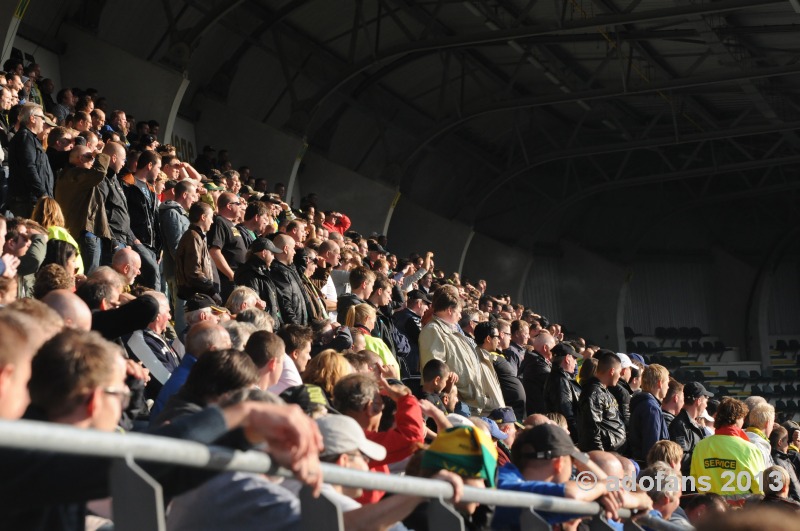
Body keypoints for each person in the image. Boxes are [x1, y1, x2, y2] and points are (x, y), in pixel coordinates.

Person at [493, 423, 652, 530]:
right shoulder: (503, 481)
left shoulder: (506, 474)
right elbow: (571, 494)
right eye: (573, 463)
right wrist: (603, 486)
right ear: (559, 464)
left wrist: (576, 455)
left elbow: (617, 492)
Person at [333, 372, 425, 505]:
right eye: (380, 406)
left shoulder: (337, 430)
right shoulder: (355, 438)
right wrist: (405, 399)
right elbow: (411, 438)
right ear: (370, 408)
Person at [419, 285, 504, 415]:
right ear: (449, 310)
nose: (460, 317)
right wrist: (448, 390)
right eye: (458, 312)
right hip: (456, 402)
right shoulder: (433, 330)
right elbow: (434, 369)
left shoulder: (452, 330)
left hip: (469, 401)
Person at [691, 397, 765, 496]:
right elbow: (759, 487)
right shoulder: (750, 450)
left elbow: (695, 478)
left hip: (710, 507)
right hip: (741, 508)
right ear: (738, 419)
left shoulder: (700, 447)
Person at [7, 103, 55, 217]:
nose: (44, 122)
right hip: (29, 202)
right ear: (32, 118)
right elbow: (29, 167)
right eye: (42, 118)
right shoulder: (25, 137)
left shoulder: (30, 138)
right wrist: (43, 195)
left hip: (34, 200)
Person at [577, 350, 626, 452]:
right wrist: (600, 454)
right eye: (619, 371)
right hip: (604, 455)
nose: (620, 375)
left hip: (613, 451)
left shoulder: (604, 391)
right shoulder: (594, 393)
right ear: (612, 371)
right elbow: (592, 429)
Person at [176, 201, 219, 301]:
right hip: (196, 293)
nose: (212, 222)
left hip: (200, 292)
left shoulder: (198, 236)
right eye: (211, 218)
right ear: (203, 217)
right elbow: (193, 271)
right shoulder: (193, 237)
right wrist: (211, 291)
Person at [628, 363, 671, 464]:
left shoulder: (646, 404)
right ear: (660, 383)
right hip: (651, 470)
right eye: (667, 383)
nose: (668, 387)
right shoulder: (651, 408)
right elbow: (652, 447)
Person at [669, 381, 713, 475]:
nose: (706, 405)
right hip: (688, 483)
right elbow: (681, 458)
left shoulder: (693, 424)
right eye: (706, 399)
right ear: (698, 401)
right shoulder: (680, 425)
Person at [543, 342, 581, 440]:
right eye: (574, 358)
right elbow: (567, 413)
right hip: (569, 436)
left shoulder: (560, 378)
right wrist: (578, 437)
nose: (576, 362)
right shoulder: (560, 380)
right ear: (567, 359)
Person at [270, 234, 310, 326]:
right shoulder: (279, 272)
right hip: (294, 330)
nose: (294, 252)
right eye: (293, 249)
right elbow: (285, 304)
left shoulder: (290, 269)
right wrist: (297, 328)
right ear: (286, 249)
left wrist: (301, 252)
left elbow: (301, 268)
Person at [269, 324, 313, 394]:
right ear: (295, 354)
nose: (309, 357)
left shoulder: (267, 371)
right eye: (307, 352)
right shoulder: (293, 385)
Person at [769, 425, 800, 502]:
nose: (788, 445)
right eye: (786, 441)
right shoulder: (781, 462)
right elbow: (794, 489)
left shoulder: (777, 459)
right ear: (780, 442)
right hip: (790, 507)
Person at [746, 402, 776, 469]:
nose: (773, 426)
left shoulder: (741, 438)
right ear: (767, 423)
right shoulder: (759, 447)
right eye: (773, 422)